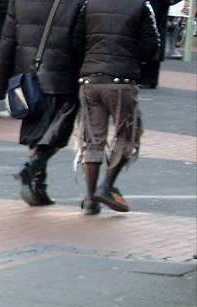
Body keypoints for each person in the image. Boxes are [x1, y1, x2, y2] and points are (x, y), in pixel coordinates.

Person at [0, 0, 82, 206]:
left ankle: (38, 186)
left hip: (28, 76)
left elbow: (7, 40)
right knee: (59, 133)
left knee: (34, 133)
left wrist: (0, 82)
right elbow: (79, 42)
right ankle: (33, 168)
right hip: (62, 75)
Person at [74, 0, 160, 214]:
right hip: (122, 80)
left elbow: (76, 42)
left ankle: (90, 198)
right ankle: (107, 185)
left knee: (92, 138)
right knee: (126, 133)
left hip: (91, 78)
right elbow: (151, 47)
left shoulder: (88, 4)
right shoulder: (141, 5)